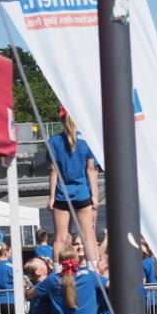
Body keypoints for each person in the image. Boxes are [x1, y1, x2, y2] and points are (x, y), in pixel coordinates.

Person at [48, 107, 99, 265]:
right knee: (88, 236)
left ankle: (59, 273)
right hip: (83, 194)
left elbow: (53, 171)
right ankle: (92, 272)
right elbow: (91, 170)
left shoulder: (53, 141)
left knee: (60, 238)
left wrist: (51, 197)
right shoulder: (87, 141)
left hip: (62, 195)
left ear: (61, 120)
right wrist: (95, 196)